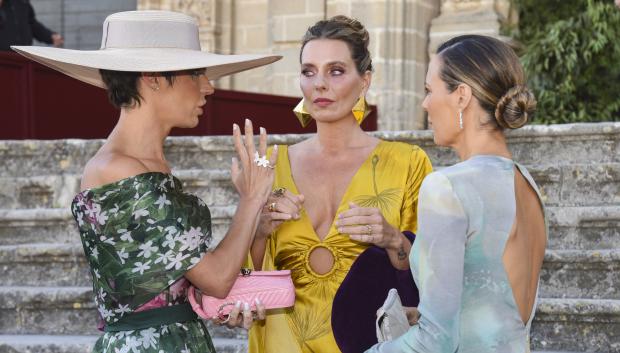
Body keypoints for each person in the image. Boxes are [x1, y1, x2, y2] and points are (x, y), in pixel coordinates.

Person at [12, 10, 281, 353]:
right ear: (153, 77)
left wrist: (209, 301)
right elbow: (215, 277)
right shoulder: (116, 170)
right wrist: (251, 198)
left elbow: (172, 284)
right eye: (196, 73)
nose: (208, 87)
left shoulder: (150, 167)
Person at [247, 15, 433, 353]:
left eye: (335, 71)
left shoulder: (407, 163)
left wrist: (393, 239)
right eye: (308, 71)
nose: (319, 83)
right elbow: (246, 284)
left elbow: (435, 277)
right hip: (281, 343)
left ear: (364, 80)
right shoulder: (272, 166)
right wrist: (258, 230)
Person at [366, 34, 547, 353]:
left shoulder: (447, 187)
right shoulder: (527, 184)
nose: (425, 104)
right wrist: (423, 316)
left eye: (429, 90)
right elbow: (495, 308)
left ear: (462, 95)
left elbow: (434, 343)